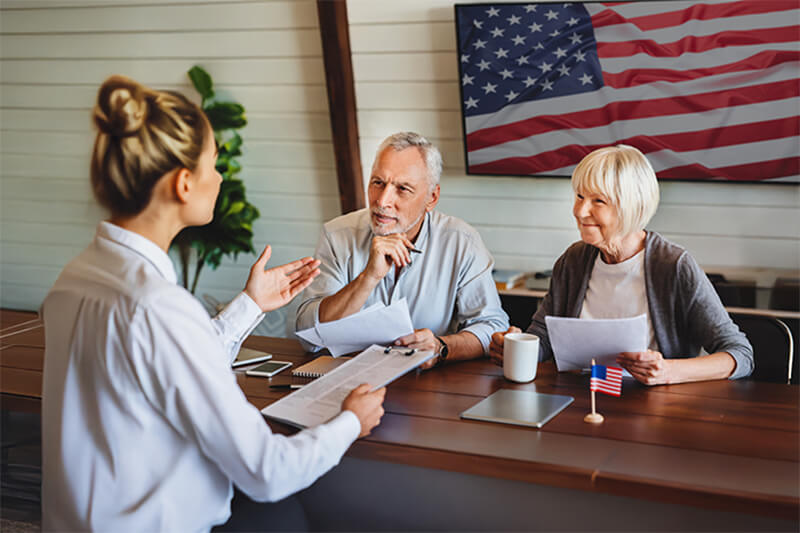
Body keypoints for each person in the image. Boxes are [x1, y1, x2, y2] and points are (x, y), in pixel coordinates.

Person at [40, 75, 386, 532]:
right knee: (284, 512)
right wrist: (349, 422)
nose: (220, 178)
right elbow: (267, 472)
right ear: (185, 183)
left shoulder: (75, 278)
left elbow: (166, 366)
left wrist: (251, 304)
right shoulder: (157, 306)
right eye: (213, 165)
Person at [489, 145, 753, 385]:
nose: (580, 211)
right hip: (583, 397)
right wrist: (516, 346)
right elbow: (545, 336)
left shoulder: (673, 266)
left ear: (631, 207)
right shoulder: (574, 260)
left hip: (652, 409)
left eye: (598, 201)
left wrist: (667, 371)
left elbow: (739, 354)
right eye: (579, 196)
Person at [295, 132, 509, 368]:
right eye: (378, 183)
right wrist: (368, 278)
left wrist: (442, 347)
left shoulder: (462, 241)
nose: (383, 201)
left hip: (427, 386)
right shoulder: (336, 235)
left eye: (403, 188)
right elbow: (307, 335)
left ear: (432, 197)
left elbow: (493, 327)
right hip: (350, 378)